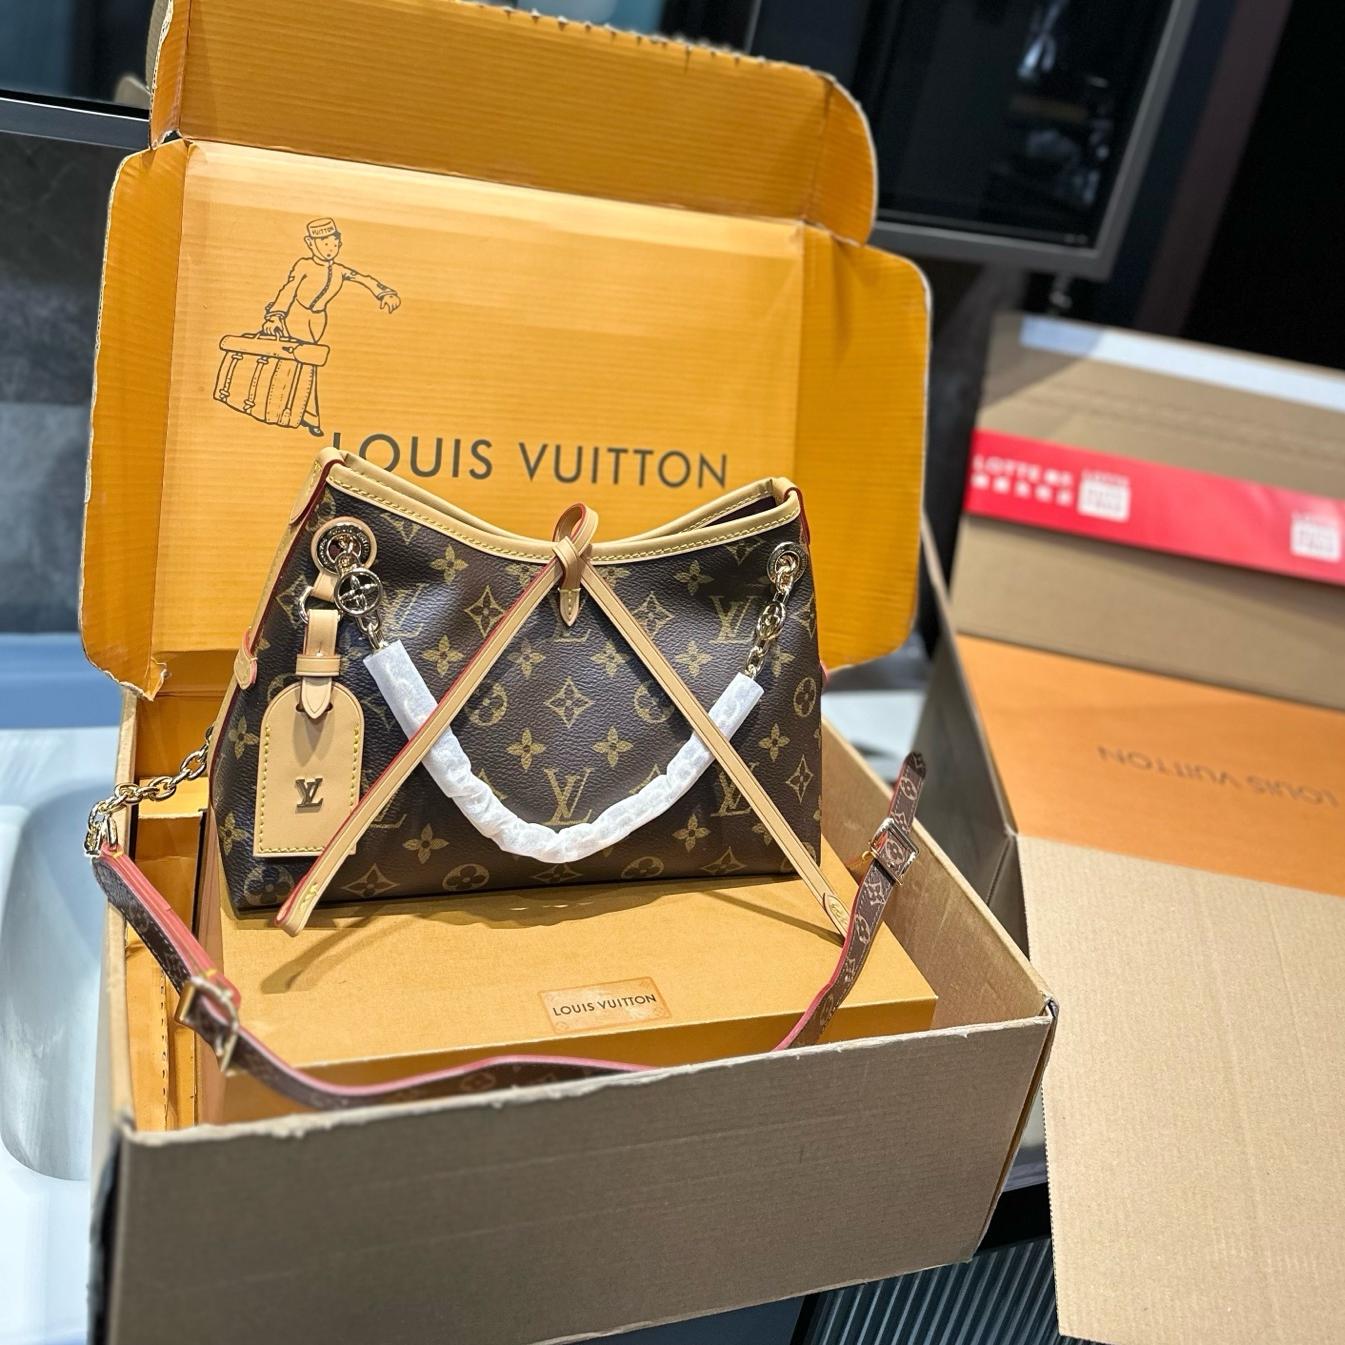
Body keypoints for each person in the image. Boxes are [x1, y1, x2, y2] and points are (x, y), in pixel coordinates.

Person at [260, 218, 400, 435]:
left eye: (333, 244)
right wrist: (275, 316)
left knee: (307, 364)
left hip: (317, 320)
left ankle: (297, 411)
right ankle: (306, 415)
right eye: (324, 243)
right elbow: (289, 290)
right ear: (310, 243)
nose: (329, 249)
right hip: (296, 316)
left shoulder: (339, 271)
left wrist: (384, 293)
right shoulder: (304, 265)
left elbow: (364, 279)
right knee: (305, 364)